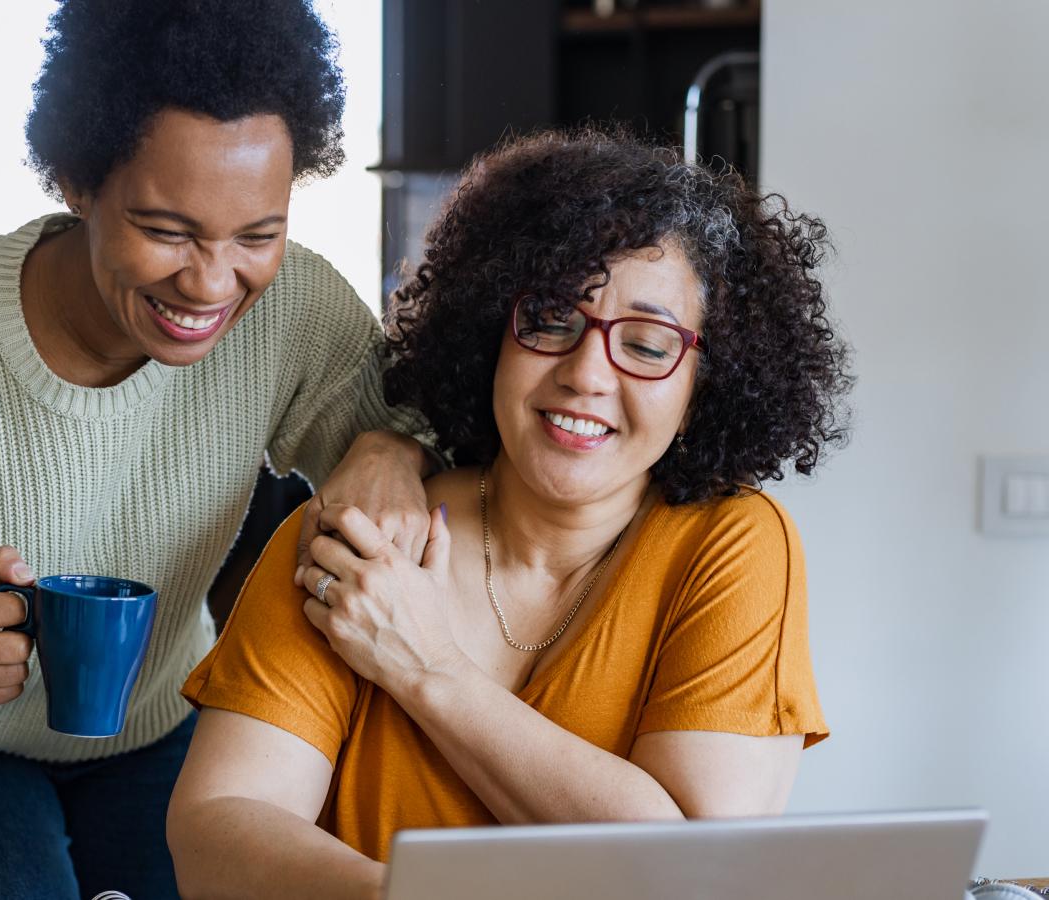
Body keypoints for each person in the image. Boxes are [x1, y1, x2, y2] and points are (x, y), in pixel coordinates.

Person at [0, 2, 437, 898]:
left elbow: (433, 430)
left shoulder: (296, 311)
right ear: (75, 181)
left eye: (257, 235)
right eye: (167, 230)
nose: (212, 282)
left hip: (153, 721)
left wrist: (390, 446)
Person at [168, 128, 855, 899]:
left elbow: (695, 874)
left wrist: (428, 669)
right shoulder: (361, 533)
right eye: (551, 319)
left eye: (647, 344)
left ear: (705, 382)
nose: (587, 374)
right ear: (491, 331)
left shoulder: (733, 546)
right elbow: (217, 831)